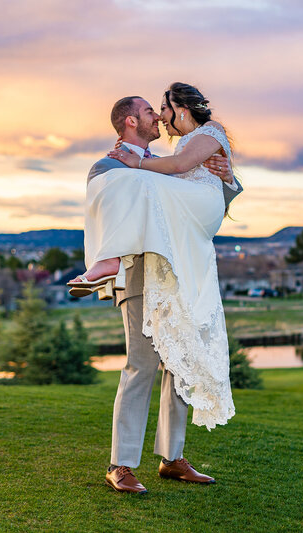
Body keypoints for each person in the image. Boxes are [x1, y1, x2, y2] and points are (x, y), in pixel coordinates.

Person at [76, 84, 242, 494]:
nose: (158, 117)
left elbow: (197, 199)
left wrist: (228, 179)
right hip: (139, 276)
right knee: (141, 364)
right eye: (150, 111)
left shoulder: (171, 160)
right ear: (132, 121)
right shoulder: (109, 164)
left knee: (180, 362)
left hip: (180, 269)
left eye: (161, 109)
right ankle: (121, 464)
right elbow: (103, 200)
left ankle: (173, 458)